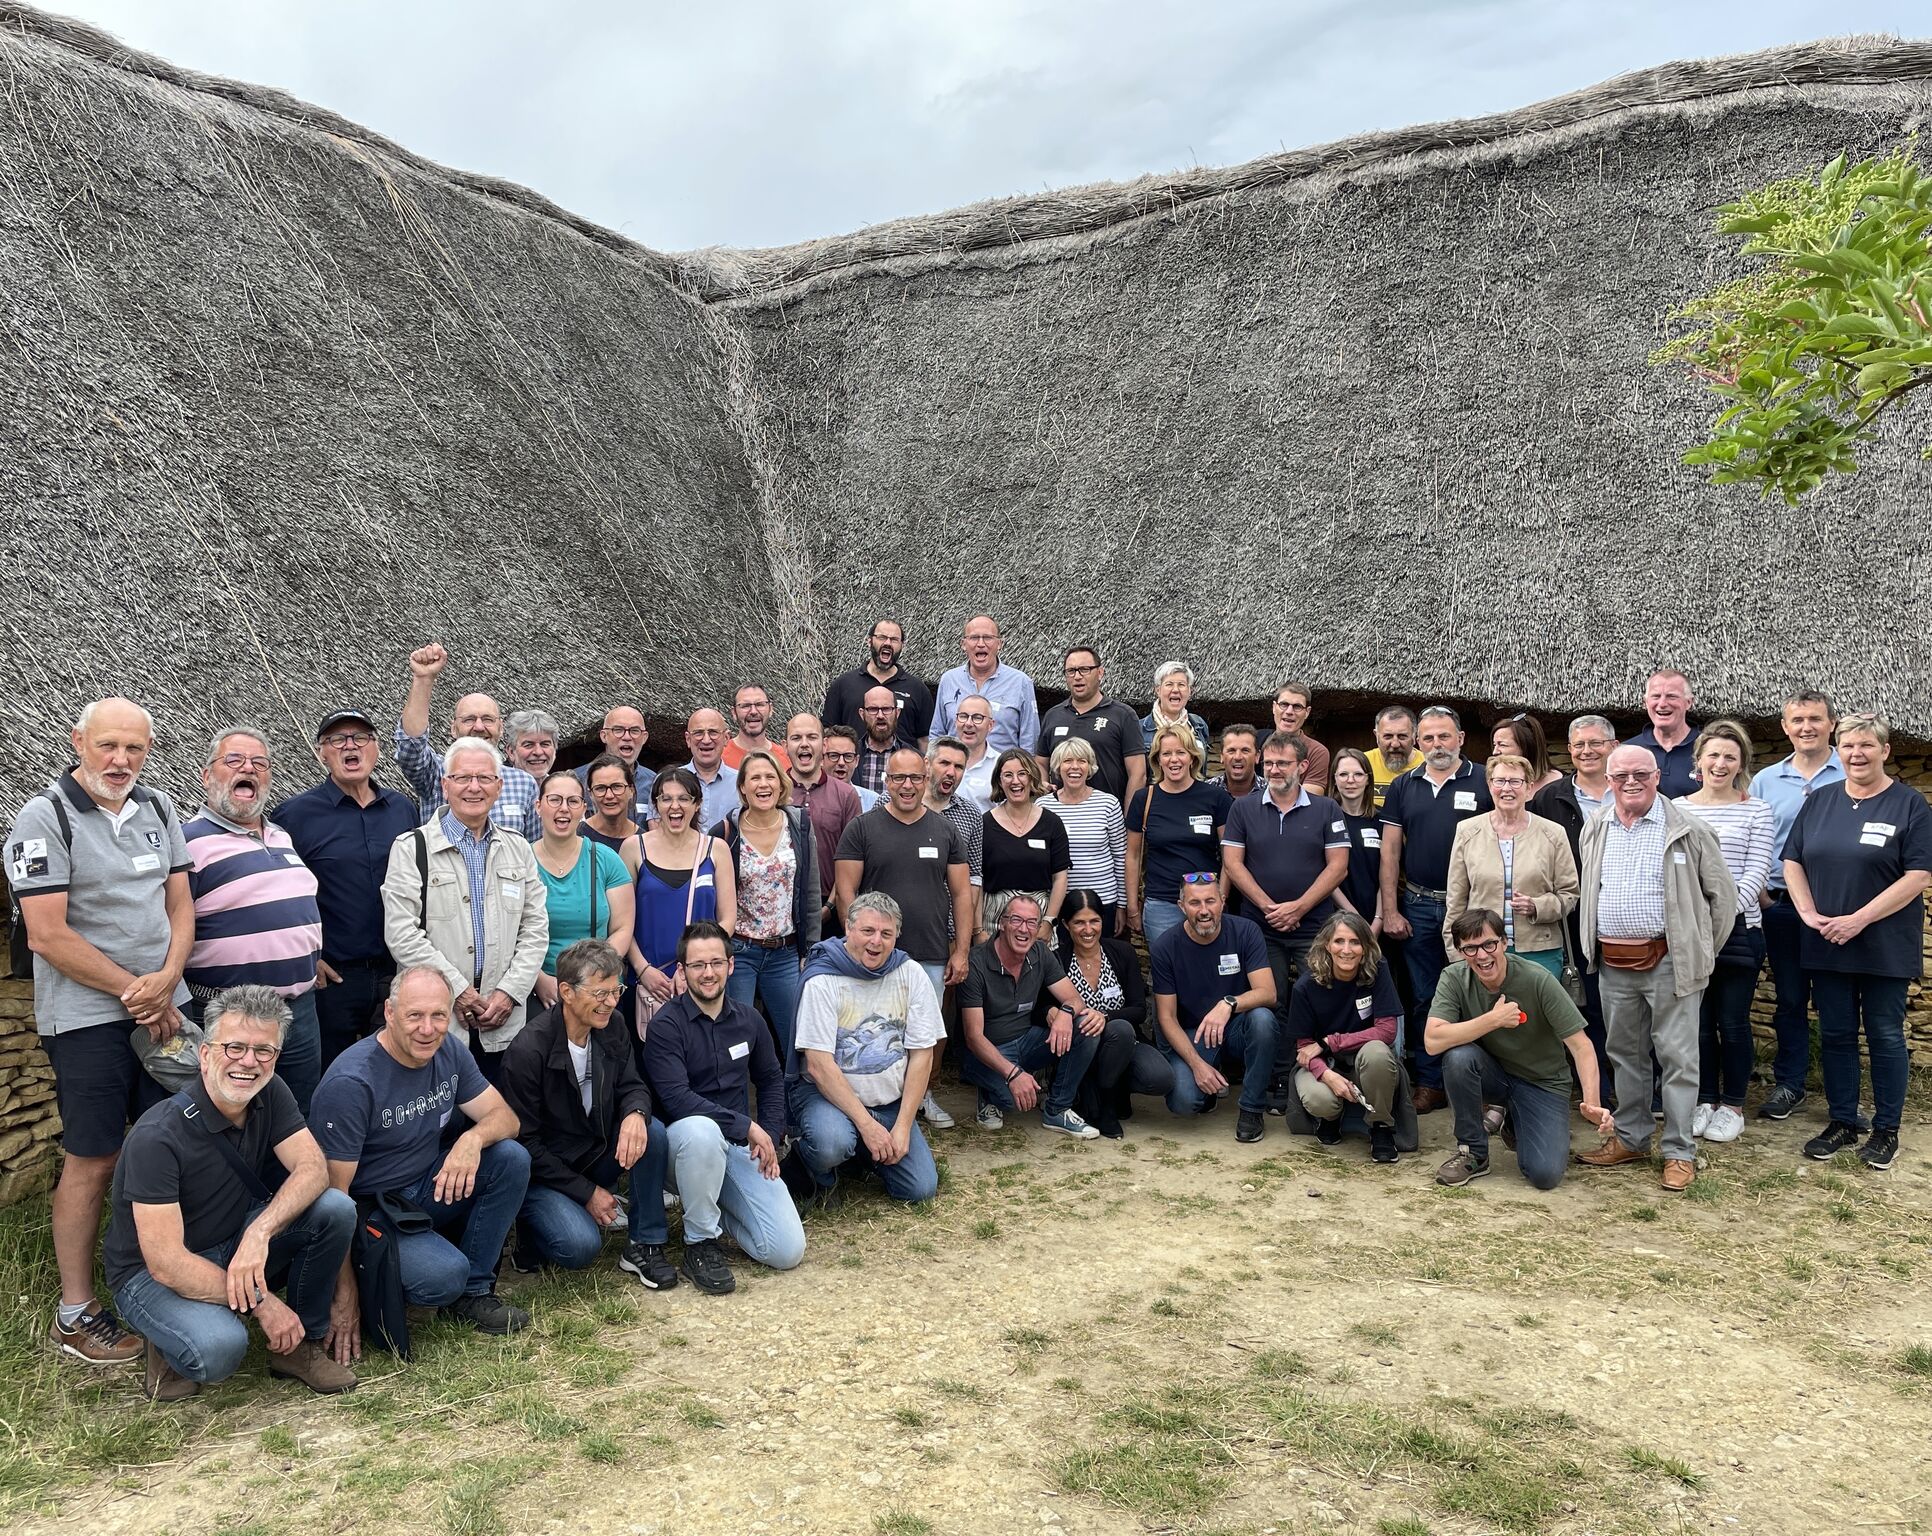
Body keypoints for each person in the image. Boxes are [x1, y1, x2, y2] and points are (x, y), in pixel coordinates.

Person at [10, 697, 191, 1366]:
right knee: (94, 1156)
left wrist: (169, 976)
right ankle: (75, 1313)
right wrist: (135, 992)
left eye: (134, 749)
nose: (121, 760)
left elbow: (179, 903)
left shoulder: (160, 809)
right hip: (87, 1017)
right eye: (108, 746)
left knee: (169, 1145)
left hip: (162, 1005)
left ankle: (161, 1282)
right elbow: (47, 933)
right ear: (77, 741)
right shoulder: (42, 817)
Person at [104, 985, 358, 1399]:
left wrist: (260, 1233)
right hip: (151, 1273)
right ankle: (164, 1338)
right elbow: (166, 1263)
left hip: (231, 1239)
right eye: (234, 1047)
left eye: (264, 1051)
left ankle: (300, 1347)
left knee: (334, 1208)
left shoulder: (270, 1092)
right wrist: (264, 1304)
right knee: (219, 1350)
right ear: (205, 1053)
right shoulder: (158, 1137)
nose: (248, 1063)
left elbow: (313, 1169)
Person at [313, 965, 532, 1351]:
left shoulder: (449, 1050)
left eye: (438, 1016)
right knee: (444, 1276)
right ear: (390, 1013)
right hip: (373, 1209)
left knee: (510, 1157)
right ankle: (376, 1279)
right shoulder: (352, 1083)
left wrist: (471, 1140)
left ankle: (474, 1293)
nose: (427, 1029)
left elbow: (507, 1120)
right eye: (415, 1015)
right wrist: (341, 1295)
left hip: (426, 1184)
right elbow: (333, 1204)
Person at [1575, 745, 1736, 1193]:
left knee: (1677, 1058)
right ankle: (1630, 1138)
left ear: (1658, 776)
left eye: (1641, 773)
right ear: (1608, 780)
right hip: (1613, 962)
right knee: (1624, 1054)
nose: (1631, 782)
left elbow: (1721, 901)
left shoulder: (1688, 829)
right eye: (1621, 774)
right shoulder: (1595, 828)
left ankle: (1680, 1151)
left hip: (1670, 963)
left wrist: (1697, 950)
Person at [1782, 713, 1932, 1171]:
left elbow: (1919, 874)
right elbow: (1793, 860)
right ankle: (1844, 1121)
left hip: (1884, 942)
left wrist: (1859, 919)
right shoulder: (1821, 801)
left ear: (1885, 751)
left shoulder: (1910, 805)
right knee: (1837, 1033)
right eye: (1848, 746)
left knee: (1885, 1034)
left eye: (1867, 746)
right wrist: (1808, 913)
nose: (1857, 754)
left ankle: (1886, 1130)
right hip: (1827, 939)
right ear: (1838, 750)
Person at [497, 940, 676, 1289]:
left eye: (616, 991)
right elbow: (525, 1145)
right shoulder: (527, 1052)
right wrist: (586, 1192)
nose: (611, 1002)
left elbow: (633, 1084)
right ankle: (530, 1233)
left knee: (651, 1132)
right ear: (566, 991)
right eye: (601, 993)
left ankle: (645, 1244)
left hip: (593, 1152)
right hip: (545, 1173)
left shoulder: (614, 1025)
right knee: (579, 1247)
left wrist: (635, 1114)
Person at [642, 922, 805, 1292]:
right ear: (681, 971)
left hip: (736, 1149)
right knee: (702, 1130)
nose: (708, 972)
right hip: (682, 1149)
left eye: (716, 962)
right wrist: (749, 1127)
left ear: (731, 965)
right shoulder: (666, 1026)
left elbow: (770, 1079)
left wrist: (771, 1133)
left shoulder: (749, 1020)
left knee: (786, 1250)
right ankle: (700, 1244)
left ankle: (712, 1211)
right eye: (697, 965)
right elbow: (677, 1100)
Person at [379, 738, 548, 1081]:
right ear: (445, 785)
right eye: (462, 778)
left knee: (503, 1117)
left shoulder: (517, 848)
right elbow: (402, 934)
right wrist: (457, 990)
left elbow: (535, 927)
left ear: (499, 787)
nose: (474, 787)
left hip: (504, 1021)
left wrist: (510, 993)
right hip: (436, 1018)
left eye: (484, 779)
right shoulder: (412, 848)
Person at [182, 728, 324, 1113]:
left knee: (297, 1115)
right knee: (230, 1118)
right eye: (234, 761)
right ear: (207, 775)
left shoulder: (281, 837)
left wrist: (308, 951)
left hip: (299, 1011)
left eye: (259, 764)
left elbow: (288, 904)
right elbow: (169, 929)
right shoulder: (187, 843)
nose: (248, 768)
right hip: (231, 1012)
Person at [834, 749, 974, 1128]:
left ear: (925, 777)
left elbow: (962, 894)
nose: (907, 786)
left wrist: (961, 950)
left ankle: (921, 1097)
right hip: (874, 955)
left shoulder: (946, 830)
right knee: (876, 1030)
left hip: (929, 951)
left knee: (924, 1033)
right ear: (886, 782)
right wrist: (858, 947)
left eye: (914, 778)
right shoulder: (862, 828)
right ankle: (871, 1101)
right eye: (899, 778)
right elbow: (846, 892)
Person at [1426, 910, 1613, 1189]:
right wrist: (1492, 1020)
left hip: (1542, 1082)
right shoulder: (1453, 978)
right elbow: (1432, 1042)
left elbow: (1582, 1046)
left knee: (1545, 1175)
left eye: (1489, 944)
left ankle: (1516, 1119)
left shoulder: (1537, 979)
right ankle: (1473, 1153)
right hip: (1497, 1074)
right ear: (1460, 951)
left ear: (1504, 942)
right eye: (1470, 948)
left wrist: (1592, 1102)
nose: (1481, 955)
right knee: (1458, 1057)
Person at [278, 709, 420, 1068]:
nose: (349, 746)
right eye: (337, 740)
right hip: (334, 979)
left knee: (398, 1070)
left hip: (397, 970)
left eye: (360, 738)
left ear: (375, 748)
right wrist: (309, 957)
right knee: (330, 1074)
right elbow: (277, 892)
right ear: (321, 752)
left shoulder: (403, 809)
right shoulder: (294, 816)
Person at [789, 892, 943, 1202]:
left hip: (888, 1103)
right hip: (827, 1099)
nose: (876, 942)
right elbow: (818, 1065)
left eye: (886, 934)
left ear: (896, 936)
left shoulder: (910, 974)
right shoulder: (823, 979)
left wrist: (902, 1126)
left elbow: (922, 1056)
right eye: (867, 931)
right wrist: (867, 1125)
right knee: (831, 1142)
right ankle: (815, 1168)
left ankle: (860, 1154)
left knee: (920, 1189)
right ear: (848, 928)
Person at [1376, 706, 1492, 1110]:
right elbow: (1390, 853)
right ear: (1418, 743)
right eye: (1428, 738)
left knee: (1480, 995)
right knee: (1426, 997)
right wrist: (1390, 910)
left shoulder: (1483, 781)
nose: (1436, 745)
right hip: (1420, 904)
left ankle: (1480, 1086)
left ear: (1461, 738)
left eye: (1444, 736)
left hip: (1473, 911)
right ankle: (1430, 1082)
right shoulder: (1404, 786)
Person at [1750, 691, 1845, 1121]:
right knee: (1790, 999)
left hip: (1836, 909)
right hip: (1782, 907)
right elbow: (1756, 838)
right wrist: (1765, 898)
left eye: (1815, 719)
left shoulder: (1850, 771)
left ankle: (1841, 1090)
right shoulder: (1766, 781)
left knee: (1835, 1001)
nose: (1806, 727)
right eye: (1798, 720)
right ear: (1785, 728)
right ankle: (1790, 1084)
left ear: (1831, 724)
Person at [1680, 722, 1775, 1145]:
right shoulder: (1678, 808)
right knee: (1697, 1022)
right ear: (1698, 760)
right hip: (1689, 931)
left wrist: (1723, 912)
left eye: (1729, 757)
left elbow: (1758, 871)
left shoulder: (1756, 810)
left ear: (1741, 764)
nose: (1720, 764)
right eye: (1713, 755)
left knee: (1732, 1020)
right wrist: (1696, 916)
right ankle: (1704, 1098)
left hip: (1738, 929)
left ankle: (1732, 1105)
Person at [958, 890, 1105, 1136]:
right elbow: (973, 1037)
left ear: (1038, 929)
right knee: (1014, 1101)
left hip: (1026, 1041)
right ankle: (989, 1091)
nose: (1023, 929)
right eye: (1016, 920)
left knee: (1085, 1026)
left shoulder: (1040, 953)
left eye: (1031, 923)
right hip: (986, 1050)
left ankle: (1058, 1109)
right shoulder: (977, 963)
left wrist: (1065, 1014)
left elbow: (1073, 999)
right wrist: (1013, 1073)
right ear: (1002, 923)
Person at [1149, 875, 1281, 1143]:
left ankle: (1251, 1108)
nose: (1204, 910)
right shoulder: (1165, 947)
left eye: (1210, 901)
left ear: (1223, 902)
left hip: (1232, 1029)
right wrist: (1197, 1065)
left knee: (1263, 1021)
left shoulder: (1246, 931)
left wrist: (1229, 1003)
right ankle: (1207, 1080)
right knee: (1184, 1103)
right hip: (1191, 1034)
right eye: (1195, 903)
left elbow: (1268, 993)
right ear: (1181, 906)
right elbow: (1166, 1017)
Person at [1221, 731, 1350, 1004]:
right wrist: (1269, 908)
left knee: (1320, 998)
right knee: (1269, 1002)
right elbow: (1232, 864)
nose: (1274, 770)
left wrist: (1298, 907)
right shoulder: (1242, 808)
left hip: (1315, 927)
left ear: (1302, 766)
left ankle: (1315, 1048)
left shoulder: (1327, 809)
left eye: (1282, 763)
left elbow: (1338, 868)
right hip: (1259, 927)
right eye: (1268, 764)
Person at [1528, 716, 1619, 1085]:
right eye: (1579, 745)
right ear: (1569, 751)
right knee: (1590, 1004)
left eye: (1596, 743)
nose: (1587, 751)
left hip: (1624, 914)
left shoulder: (1631, 789)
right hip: (1575, 917)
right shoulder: (1549, 799)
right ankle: (1601, 1085)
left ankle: (1642, 1083)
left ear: (1613, 746)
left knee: (1630, 1005)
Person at [715, 750, 819, 1063]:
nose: (763, 783)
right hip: (740, 952)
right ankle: (737, 1110)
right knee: (737, 1041)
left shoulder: (799, 825)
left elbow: (811, 892)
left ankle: (792, 1108)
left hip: (786, 954)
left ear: (781, 782)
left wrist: (809, 952)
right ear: (743, 787)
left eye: (770, 776)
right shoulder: (725, 833)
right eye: (755, 777)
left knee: (795, 1042)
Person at [1443, 754, 1578, 981]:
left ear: (1529, 788)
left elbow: (1570, 895)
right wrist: (1456, 953)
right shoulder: (1467, 831)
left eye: (1515, 781)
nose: (1507, 788)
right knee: (1488, 1016)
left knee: (1536, 1016)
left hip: (1540, 950)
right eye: (1500, 781)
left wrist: (1537, 906)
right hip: (1481, 950)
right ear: (1489, 786)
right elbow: (1456, 901)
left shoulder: (1553, 833)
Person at [622, 767, 737, 1027]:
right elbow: (621, 922)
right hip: (649, 982)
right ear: (656, 805)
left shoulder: (715, 849)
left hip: (702, 979)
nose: (675, 806)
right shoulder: (633, 848)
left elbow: (728, 919)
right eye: (666, 798)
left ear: (697, 804)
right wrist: (642, 969)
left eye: (684, 798)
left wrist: (694, 968)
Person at [1053, 889, 1170, 1137]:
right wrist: (1057, 1013)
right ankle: (1098, 1099)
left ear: (1102, 921)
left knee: (1159, 1076)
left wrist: (1105, 1017)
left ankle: (1111, 1094)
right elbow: (1042, 1007)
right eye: (1079, 922)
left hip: (1124, 1041)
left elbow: (1139, 1009)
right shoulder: (1057, 960)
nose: (1088, 929)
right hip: (1080, 1046)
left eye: (1094, 920)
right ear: (1066, 924)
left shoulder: (1121, 952)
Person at [392, 643, 539, 839]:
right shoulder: (436, 774)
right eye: (469, 719)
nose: (479, 727)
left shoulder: (524, 783)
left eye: (487, 719)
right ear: (453, 728)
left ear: (501, 728)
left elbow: (532, 853)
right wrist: (423, 679)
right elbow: (410, 749)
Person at [1287, 913, 1402, 1163]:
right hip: (1322, 1062)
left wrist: (1330, 1042)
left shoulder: (1377, 970)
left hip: (1364, 1057)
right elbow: (1304, 1049)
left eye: (1355, 942)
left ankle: (1380, 1125)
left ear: (1366, 947)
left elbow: (1387, 1030)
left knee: (1377, 1052)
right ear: (1326, 945)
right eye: (1339, 941)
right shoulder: (1305, 986)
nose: (1347, 950)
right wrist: (1327, 1075)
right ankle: (1331, 1118)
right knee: (1321, 1100)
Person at [530, 772, 633, 1011]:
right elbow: (508, 933)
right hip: (540, 988)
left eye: (573, 801)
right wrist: (538, 979)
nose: (564, 808)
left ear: (584, 809)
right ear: (538, 806)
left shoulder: (606, 860)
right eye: (555, 800)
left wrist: (592, 976)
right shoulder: (520, 861)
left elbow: (623, 928)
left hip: (598, 987)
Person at [1124, 723, 1233, 946]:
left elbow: (1230, 855)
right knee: (1165, 972)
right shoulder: (1143, 799)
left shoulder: (1215, 798)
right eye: (1167, 753)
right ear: (1158, 759)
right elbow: (1132, 855)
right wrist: (1132, 905)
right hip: (1161, 904)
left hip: (1206, 901)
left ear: (1192, 757)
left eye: (1180, 752)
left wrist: (1220, 897)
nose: (1174, 759)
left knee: (1207, 968)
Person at [1035, 644, 1144, 805]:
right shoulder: (1053, 716)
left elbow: (1138, 773)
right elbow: (1041, 762)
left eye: (1085, 669)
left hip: (1108, 818)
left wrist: (1128, 820)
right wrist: (1043, 788)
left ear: (1100, 673)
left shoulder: (1123, 715)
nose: (1077, 676)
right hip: (1060, 817)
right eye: (1071, 671)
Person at [982, 751, 1073, 938]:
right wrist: (978, 930)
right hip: (995, 920)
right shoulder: (984, 824)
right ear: (999, 781)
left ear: (1032, 778)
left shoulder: (1052, 823)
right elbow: (976, 881)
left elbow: (1060, 878)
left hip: (1039, 921)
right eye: (1008, 775)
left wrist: (1049, 921)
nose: (1016, 781)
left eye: (1022, 773)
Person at [1042, 739, 1127, 933]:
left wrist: (1122, 906)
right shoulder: (1043, 806)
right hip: (1059, 903)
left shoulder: (1108, 804)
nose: (1075, 767)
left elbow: (1120, 857)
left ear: (1090, 767)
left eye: (1082, 761)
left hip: (1103, 902)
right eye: (1067, 761)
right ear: (1057, 766)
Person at [787, 714, 864, 923]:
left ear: (823, 745)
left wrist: (829, 907)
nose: (804, 744)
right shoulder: (773, 791)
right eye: (796, 738)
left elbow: (850, 860)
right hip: (782, 904)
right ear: (785, 745)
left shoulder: (846, 795)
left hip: (830, 905)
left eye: (811, 737)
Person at [933, 615, 1040, 754]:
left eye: (988, 638)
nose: (981, 644)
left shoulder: (1021, 682)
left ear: (999, 644)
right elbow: (937, 733)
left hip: (1001, 772)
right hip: (956, 772)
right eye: (974, 638)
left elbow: (1030, 742)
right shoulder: (948, 680)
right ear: (963, 644)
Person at [821, 619, 934, 749]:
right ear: (869, 641)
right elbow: (828, 732)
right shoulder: (843, 684)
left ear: (902, 645)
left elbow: (925, 739)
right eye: (882, 637)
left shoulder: (917, 689)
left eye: (894, 639)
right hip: (855, 766)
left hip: (902, 767)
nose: (887, 643)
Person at [925, 737, 987, 940]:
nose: (951, 772)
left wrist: (966, 931)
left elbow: (975, 876)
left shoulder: (971, 814)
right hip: (898, 926)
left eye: (959, 767)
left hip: (950, 930)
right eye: (944, 763)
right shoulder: (892, 803)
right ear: (927, 764)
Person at [1328, 748, 1383, 924]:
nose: (1350, 781)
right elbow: (1323, 874)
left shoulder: (1382, 821)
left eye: (1358, 774)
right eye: (1343, 774)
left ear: (1368, 779)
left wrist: (1379, 919)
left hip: (1378, 918)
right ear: (1334, 779)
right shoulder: (1324, 819)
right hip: (1337, 917)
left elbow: (1388, 874)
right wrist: (1355, 919)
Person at [574, 706, 655, 820]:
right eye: (618, 730)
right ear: (604, 736)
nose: (627, 737)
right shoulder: (577, 780)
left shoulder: (654, 783)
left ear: (644, 737)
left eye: (634, 731)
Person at [1631, 669, 1699, 798]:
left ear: (1689, 702)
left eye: (1671, 696)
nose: (1662, 704)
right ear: (1645, 702)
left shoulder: (1709, 749)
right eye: (1656, 696)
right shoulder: (1628, 750)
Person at [668, 709, 741, 827]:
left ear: (726, 738)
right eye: (698, 733)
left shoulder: (742, 783)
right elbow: (657, 827)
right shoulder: (667, 782)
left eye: (713, 732)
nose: (706, 740)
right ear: (688, 739)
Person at [1139, 661, 1211, 761]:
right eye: (1169, 684)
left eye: (1181, 684)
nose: (1175, 690)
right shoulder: (1138, 730)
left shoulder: (1199, 725)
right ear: (1158, 690)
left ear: (1190, 691)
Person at [1269, 684, 1332, 792]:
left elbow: (1310, 799)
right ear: (1274, 707)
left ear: (1307, 712)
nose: (1289, 711)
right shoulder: (1257, 743)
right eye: (1284, 704)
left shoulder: (1317, 752)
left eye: (1297, 706)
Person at [580, 753, 642, 853]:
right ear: (590, 794)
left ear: (631, 790)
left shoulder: (643, 843)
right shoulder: (577, 837)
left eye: (616, 786)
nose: (609, 795)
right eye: (600, 788)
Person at [724, 683, 791, 772]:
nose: (753, 711)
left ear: (770, 709)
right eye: (745, 706)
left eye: (760, 704)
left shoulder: (787, 759)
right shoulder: (719, 758)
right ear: (734, 713)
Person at [1490, 714, 1562, 794]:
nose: (1495, 752)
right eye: (1494, 745)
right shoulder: (1492, 784)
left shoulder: (1560, 786)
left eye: (1502, 745)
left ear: (1526, 747)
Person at [950, 695, 999, 811]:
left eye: (977, 718)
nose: (968, 723)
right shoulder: (937, 762)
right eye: (963, 716)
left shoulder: (1000, 765)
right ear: (955, 721)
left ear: (990, 725)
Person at [1366, 707, 1419, 808]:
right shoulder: (1362, 764)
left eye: (1402, 736)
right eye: (1388, 736)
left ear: (1414, 735)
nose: (1395, 744)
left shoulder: (1427, 766)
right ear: (1376, 736)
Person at [821, 725, 882, 812]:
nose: (841, 762)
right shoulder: (812, 799)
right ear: (821, 759)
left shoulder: (873, 801)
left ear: (856, 761)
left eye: (848, 756)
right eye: (834, 756)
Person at [854, 685, 900, 795]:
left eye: (886, 709)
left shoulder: (912, 757)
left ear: (897, 713)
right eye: (873, 709)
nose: (880, 716)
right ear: (862, 714)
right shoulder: (850, 756)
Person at [1207, 724, 1262, 801]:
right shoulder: (1205, 792)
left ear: (1257, 756)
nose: (1238, 757)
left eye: (1245, 750)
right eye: (1231, 751)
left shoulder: (1271, 792)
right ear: (1222, 756)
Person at [503, 710, 559, 779]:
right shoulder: (497, 788)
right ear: (511, 752)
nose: (538, 752)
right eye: (528, 745)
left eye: (545, 744)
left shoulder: (565, 788)